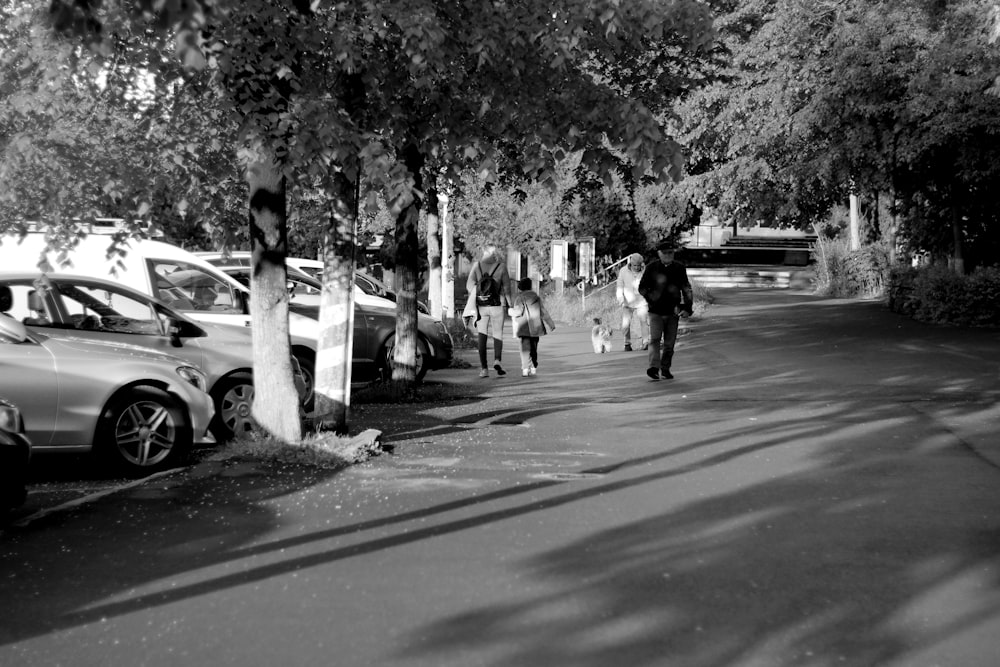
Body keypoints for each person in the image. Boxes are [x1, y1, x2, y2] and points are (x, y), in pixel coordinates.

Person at [637, 240, 693, 380]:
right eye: (665, 253)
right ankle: (654, 368)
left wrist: (687, 308)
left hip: (673, 312)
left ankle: (665, 368)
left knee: (669, 344)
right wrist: (652, 299)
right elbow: (642, 287)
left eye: (671, 252)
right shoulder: (652, 268)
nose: (668, 255)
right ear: (659, 254)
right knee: (655, 339)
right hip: (655, 311)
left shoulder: (679, 268)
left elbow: (686, 288)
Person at [464, 245, 513, 377]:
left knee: (482, 335)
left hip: (481, 306)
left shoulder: (477, 266)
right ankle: (497, 360)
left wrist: (479, 292)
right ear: (494, 254)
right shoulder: (501, 267)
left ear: (484, 253)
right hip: (498, 305)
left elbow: (469, 285)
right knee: (498, 334)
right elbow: (507, 289)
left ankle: (484, 369)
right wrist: (511, 305)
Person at [508, 277, 556, 377]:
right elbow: (543, 311)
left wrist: (510, 311)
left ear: (520, 287)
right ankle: (533, 366)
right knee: (534, 348)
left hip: (524, 327)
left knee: (525, 348)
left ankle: (525, 369)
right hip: (536, 326)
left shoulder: (519, 298)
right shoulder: (536, 297)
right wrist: (550, 324)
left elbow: (518, 312)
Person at [616, 252, 648, 352]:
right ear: (630, 263)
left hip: (642, 301)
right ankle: (627, 343)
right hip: (627, 301)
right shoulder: (623, 271)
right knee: (625, 324)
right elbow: (620, 285)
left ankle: (645, 342)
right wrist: (620, 298)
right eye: (635, 265)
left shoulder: (645, 270)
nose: (637, 267)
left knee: (644, 322)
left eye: (639, 265)